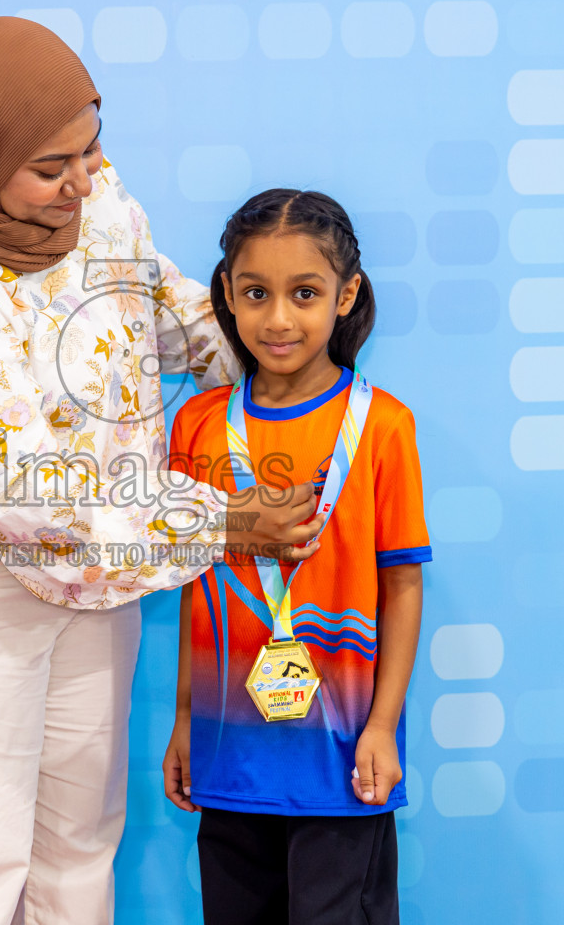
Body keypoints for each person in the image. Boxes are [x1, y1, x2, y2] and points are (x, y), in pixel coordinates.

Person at [0, 18, 324, 925]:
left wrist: (281, 348)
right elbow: (29, 499)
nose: (81, 180)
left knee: (77, 847)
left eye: (91, 145)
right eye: (49, 166)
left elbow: (165, 308)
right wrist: (223, 523)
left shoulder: (97, 202)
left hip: (102, 557)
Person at [162, 189, 432, 924]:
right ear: (227, 295)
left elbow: (402, 587)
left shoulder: (381, 426)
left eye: (304, 294)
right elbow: (194, 587)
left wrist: (381, 726)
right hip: (231, 751)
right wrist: (187, 718)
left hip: (340, 757)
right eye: (256, 294)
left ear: (346, 296)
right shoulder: (198, 424)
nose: (278, 318)